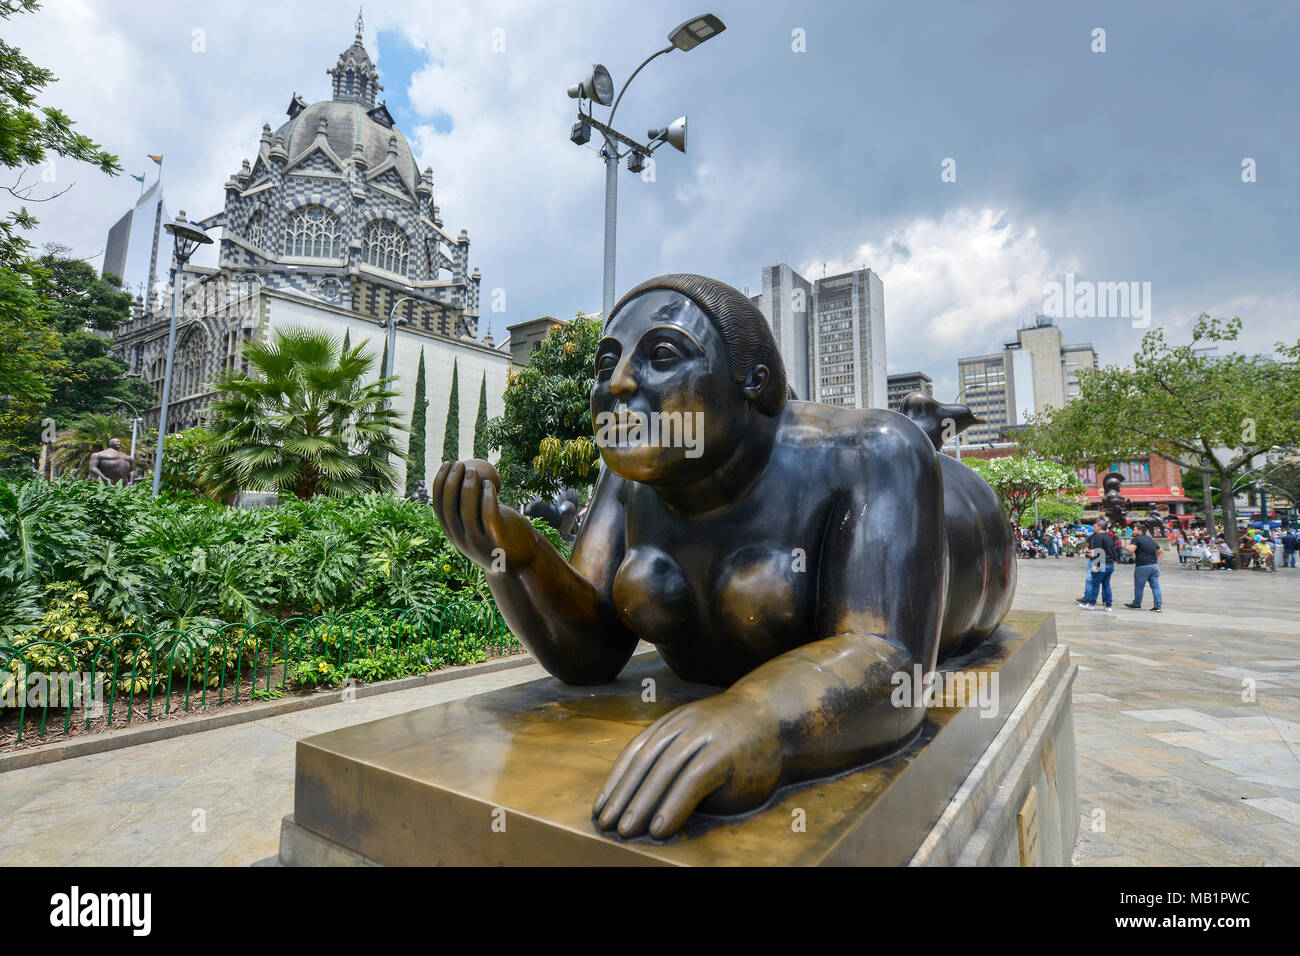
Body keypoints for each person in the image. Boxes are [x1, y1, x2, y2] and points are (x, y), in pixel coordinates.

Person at [431, 273, 1015, 840]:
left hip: (973, 531)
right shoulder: (632, 480)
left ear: (753, 382)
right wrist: (517, 555)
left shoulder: (871, 452)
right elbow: (592, 654)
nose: (619, 383)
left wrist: (760, 719)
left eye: (663, 355)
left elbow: (891, 661)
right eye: (606, 365)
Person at [1078, 517, 1118, 611]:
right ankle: (1108, 606)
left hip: (1101, 563)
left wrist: (1094, 565)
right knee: (1106, 585)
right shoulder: (1108, 536)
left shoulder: (1098, 537)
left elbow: (1099, 551)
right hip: (1110, 564)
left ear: (1099, 526)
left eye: (1094, 526)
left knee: (1095, 584)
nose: (1093, 528)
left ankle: (1091, 604)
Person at [1123, 523, 1164, 611]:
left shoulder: (1136, 539)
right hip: (1154, 566)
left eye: (1134, 530)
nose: (1133, 531)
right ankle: (1158, 605)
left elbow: (1131, 550)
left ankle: (1137, 603)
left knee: (1139, 586)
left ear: (1140, 531)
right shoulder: (1150, 539)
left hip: (1142, 566)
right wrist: (1156, 562)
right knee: (1155, 586)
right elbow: (1161, 552)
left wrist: (1125, 547)